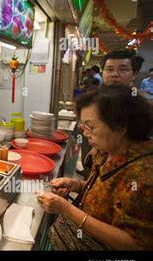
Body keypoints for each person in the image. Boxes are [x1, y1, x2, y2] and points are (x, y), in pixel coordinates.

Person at [37, 86, 153, 250]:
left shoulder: (143, 175)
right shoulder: (107, 151)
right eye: (83, 126)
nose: (85, 133)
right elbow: (107, 194)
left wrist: (68, 210)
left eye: (91, 127)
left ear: (121, 126)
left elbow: (135, 244)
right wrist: (76, 185)